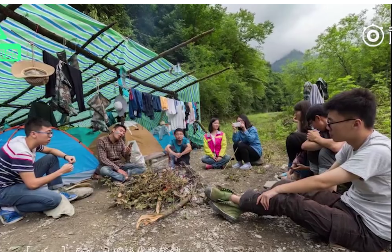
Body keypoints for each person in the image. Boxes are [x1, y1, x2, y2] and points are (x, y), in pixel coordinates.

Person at [205, 88, 391, 252]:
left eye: (332, 122)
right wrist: (294, 188)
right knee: (287, 185)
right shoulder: (353, 143)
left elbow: (322, 181)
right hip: (348, 205)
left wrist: (281, 192)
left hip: (368, 230)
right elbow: (328, 178)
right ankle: (246, 201)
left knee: (288, 199)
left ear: (355, 123)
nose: (328, 126)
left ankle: (235, 200)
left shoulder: (377, 150)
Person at [0, 118, 77, 225]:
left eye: (51, 133)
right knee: (54, 199)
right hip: (5, 190)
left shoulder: (26, 141)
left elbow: (50, 150)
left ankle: (56, 189)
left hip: (18, 180)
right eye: (48, 133)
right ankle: (10, 208)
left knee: (51, 157)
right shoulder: (20, 152)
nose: (51, 136)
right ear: (34, 134)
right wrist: (61, 171)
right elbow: (32, 184)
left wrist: (66, 156)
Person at [301, 104, 345, 176]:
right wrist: (327, 143)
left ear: (318, 118)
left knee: (325, 151)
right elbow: (305, 145)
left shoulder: (339, 127)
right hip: (331, 166)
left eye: (312, 123)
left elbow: (336, 147)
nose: (313, 127)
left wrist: (317, 139)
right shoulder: (321, 131)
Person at [284, 100, 312, 180]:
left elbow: (301, 134)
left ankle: (295, 172)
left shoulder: (311, 124)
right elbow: (300, 132)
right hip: (305, 147)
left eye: (297, 111)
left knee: (292, 139)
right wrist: (299, 121)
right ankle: (292, 171)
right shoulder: (303, 122)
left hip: (309, 148)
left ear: (303, 111)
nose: (295, 114)